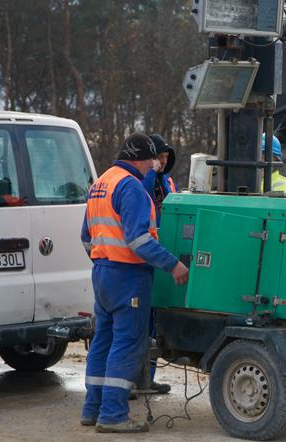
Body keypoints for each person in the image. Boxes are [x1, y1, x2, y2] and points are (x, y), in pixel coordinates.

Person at [80, 132, 189, 433]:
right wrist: (174, 264)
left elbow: (87, 237)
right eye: (154, 158)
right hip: (128, 276)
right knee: (126, 343)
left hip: (103, 274)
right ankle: (113, 415)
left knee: (102, 341)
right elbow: (138, 240)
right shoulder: (131, 188)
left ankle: (92, 408)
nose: (156, 164)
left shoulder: (101, 183)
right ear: (142, 158)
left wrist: (103, 261)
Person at [137, 133, 177, 394]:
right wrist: (152, 173)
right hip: (143, 259)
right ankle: (134, 379)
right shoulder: (141, 181)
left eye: (164, 158)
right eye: (158, 158)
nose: (162, 162)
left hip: (161, 257)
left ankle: (147, 379)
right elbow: (144, 197)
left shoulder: (168, 181)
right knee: (140, 324)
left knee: (154, 324)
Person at [142, 134, 177, 224]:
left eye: (166, 156)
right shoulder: (139, 178)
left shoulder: (168, 180)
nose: (165, 161)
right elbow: (144, 195)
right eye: (161, 156)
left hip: (165, 231)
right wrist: (151, 172)